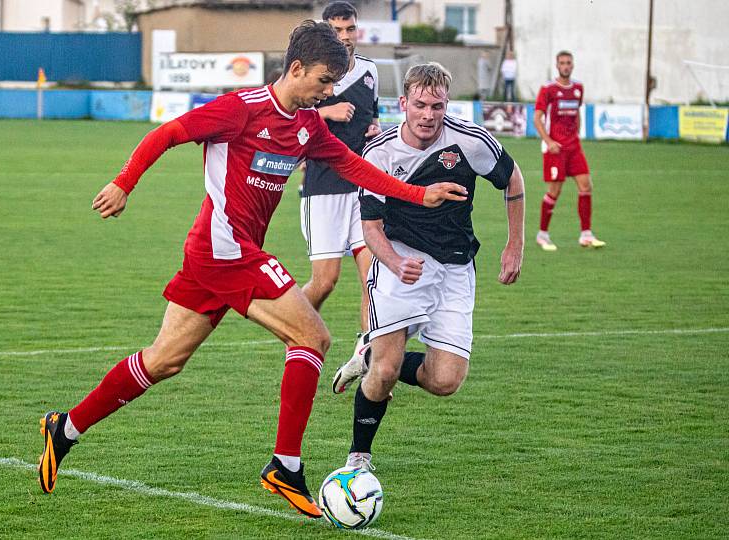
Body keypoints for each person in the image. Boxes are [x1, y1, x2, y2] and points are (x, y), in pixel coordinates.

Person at [36, 20, 466, 519]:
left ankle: (64, 428)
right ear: (297, 68)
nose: (328, 92)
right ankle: (285, 467)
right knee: (313, 337)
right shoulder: (240, 110)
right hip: (226, 251)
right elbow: (170, 132)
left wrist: (417, 193)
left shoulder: (306, 126)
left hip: (215, 254)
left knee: (164, 360)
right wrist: (124, 182)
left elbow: (353, 166)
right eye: (324, 81)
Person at [334, 62, 524, 472]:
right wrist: (395, 261)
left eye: (436, 106)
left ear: (446, 104)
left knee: (445, 380)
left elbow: (513, 181)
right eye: (419, 105)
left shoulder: (471, 142)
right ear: (403, 103)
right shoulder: (379, 152)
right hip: (401, 256)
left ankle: (369, 355)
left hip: (455, 265)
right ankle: (358, 460)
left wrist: (515, 245)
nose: (427, 115)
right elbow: (370, 227)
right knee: (385, 371)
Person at [300, 2, 380, 389]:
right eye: (338, 30)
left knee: (373, 278)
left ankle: (366, 356)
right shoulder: (311, 74)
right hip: (323, 188)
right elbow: (290, 114)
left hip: (362, 188)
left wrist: (375, 128)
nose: (345, 36)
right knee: (325, 281)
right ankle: (295, 333)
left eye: (350, 29)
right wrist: (327, 114)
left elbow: (373, 113)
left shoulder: (370, 71)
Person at [534, 50, 605, 251]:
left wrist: (577, 135)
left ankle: (586, 234)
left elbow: (577, 115)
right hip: (555, 148)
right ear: (557, 66)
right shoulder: (547, 89)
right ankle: (542, 235)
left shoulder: (578, 88)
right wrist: (549, 142)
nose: (565, 66)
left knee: (586, 185)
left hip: (574, 146)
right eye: (562, 63)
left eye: (568, 63)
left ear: (572, 65)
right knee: (554, 191)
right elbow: (537, 118)